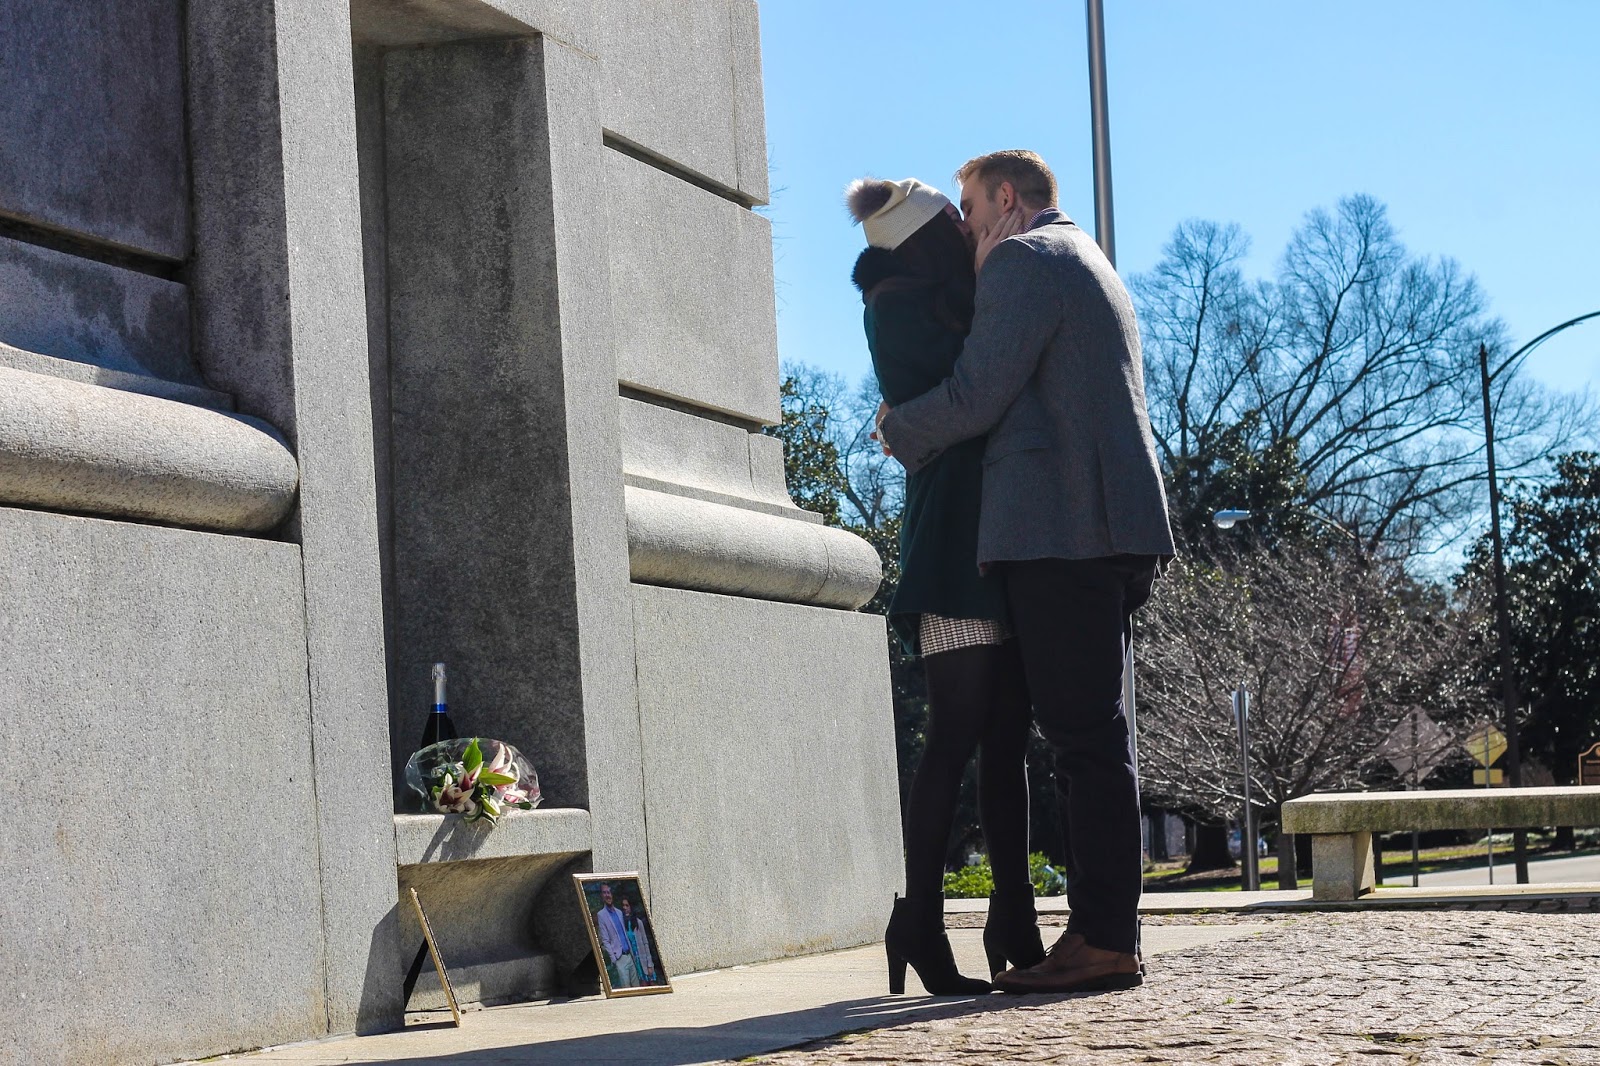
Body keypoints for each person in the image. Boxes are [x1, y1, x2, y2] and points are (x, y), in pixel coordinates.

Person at [875, 150, 1175, 995]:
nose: (967, 229)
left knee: (1085, 743)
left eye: (970, 209)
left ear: (1007, 200)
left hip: (1064, 533)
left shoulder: (1023, 259)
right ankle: (1102, 932)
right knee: (1094, 739)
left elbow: (977, 392)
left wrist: (898, 425)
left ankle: (1105, 940)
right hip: (1106, 529)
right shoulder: (1089, 259)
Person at [846, 176, 1042, 996]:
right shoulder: (900, 305)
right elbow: (971, 396)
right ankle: (921, 920)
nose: (972, 233)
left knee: (1007, 743)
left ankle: (1016, 916)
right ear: (931, 240)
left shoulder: (944, 295)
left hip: (991, 541)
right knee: (956, 735)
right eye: (957, 229)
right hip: (950, 546)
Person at [594, 884, 639, 988]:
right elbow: (605, 940)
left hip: (630, 955)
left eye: (608, 892)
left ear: (612, 895)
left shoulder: (619, 912)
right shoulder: (601, 915)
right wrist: (614, 959)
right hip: (620, 957)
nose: (607, 895)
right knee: (626, 988)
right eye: (604, 893)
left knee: (637, 987)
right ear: (602, 896)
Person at [621, 897, 658, 985]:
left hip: (643, 958)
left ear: (631, 907)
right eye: (623, 906)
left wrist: (649, 963)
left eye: (627, 905)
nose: (625, 908)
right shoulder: (623, 925)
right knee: (642, 984)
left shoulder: (638, 923)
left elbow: (645, 943)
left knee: (652, 983)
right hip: (634, 960)